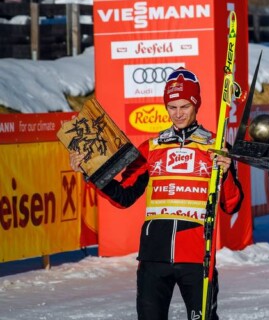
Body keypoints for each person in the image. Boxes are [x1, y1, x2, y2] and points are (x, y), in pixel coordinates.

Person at [69, 67, 243, 320]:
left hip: (197, 258)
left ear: (196, 105)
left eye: (184, 106)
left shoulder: (216, 147)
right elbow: (124, 196)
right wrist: (91, 172)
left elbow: (231, 205)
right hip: (153, 258)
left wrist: (226, 172)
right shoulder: (151, 148)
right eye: (172, 107)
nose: (178, 113)